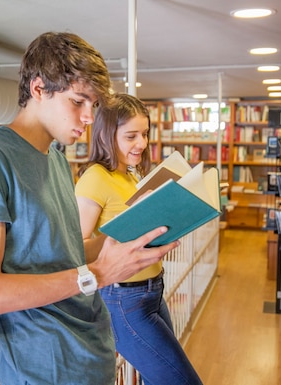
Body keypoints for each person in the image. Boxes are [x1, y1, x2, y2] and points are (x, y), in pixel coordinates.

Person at [0, 32, 180, 385]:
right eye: (78, 101)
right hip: (47, 369)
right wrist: (99, 274)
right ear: (39, 89)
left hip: (90, 354)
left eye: (93, 104)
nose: (89, 117)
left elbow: (63, 253)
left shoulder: (55, 159)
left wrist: (135, 233)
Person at [75, 93, 204, 385]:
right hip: (123, 299)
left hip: (153, 290)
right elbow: (77, 249)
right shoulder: (95, 177)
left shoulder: (132, 174)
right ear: (108, 135)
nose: (142, 144)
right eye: (131, 136)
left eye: (144, 134)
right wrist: (135, 219)